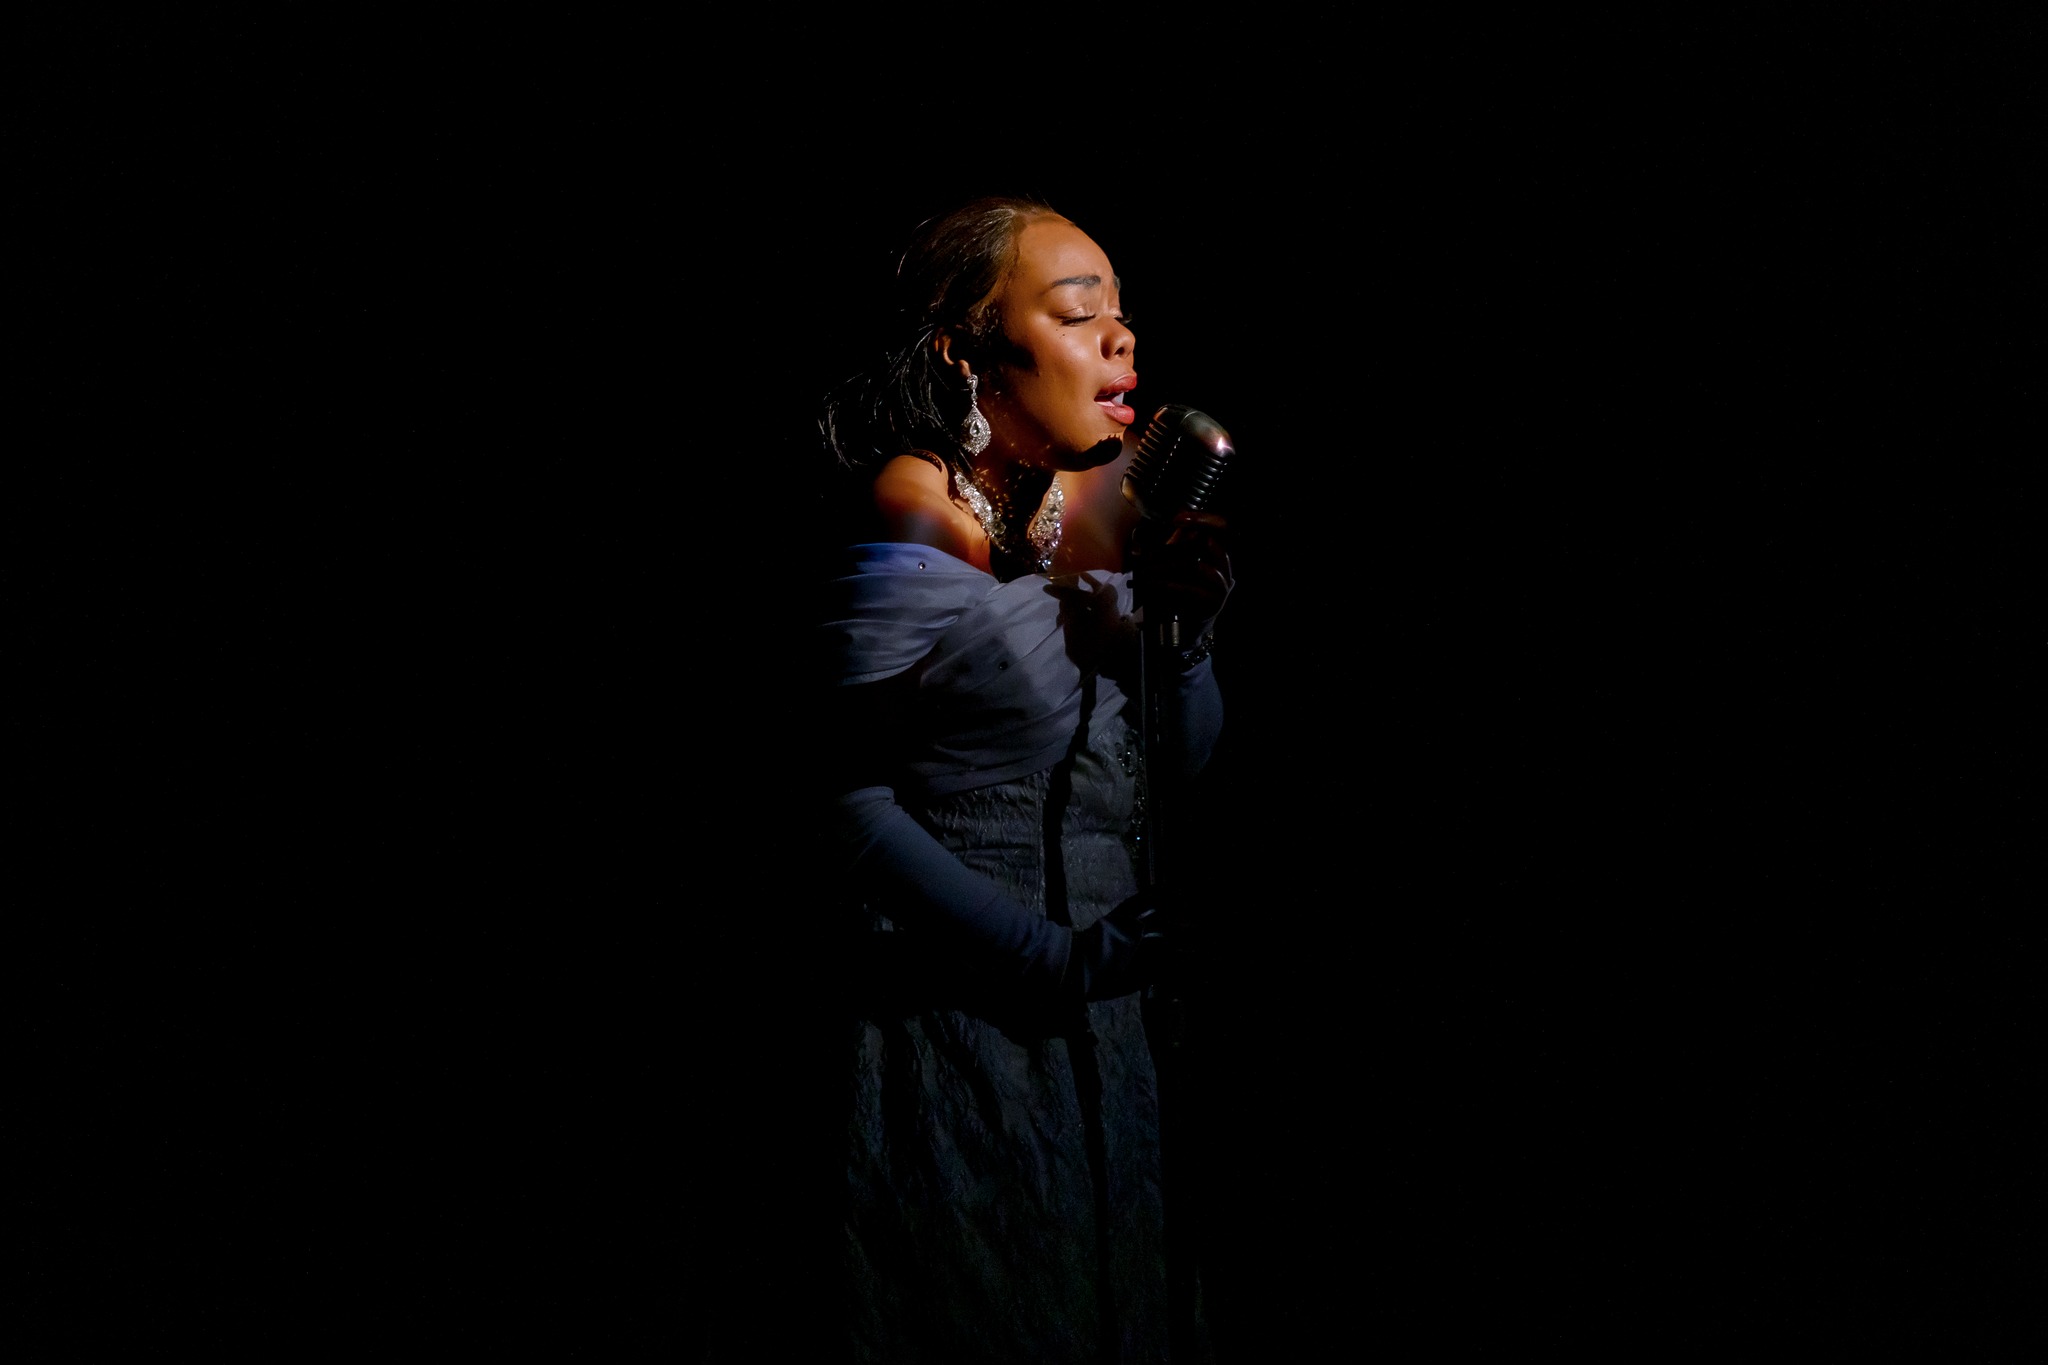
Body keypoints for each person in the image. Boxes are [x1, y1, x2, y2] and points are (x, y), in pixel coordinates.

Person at [812, 196, 1231, 1363]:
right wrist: (1046, 957)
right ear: (968, 350)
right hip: (962, 1005)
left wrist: (1181, 645)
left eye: (1123, 319)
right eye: (1075, 312)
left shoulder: (1114, 508)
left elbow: (1170, 769)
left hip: (1119, 1026)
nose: (1120, 341)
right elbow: (834, 799)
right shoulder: (916, 500)